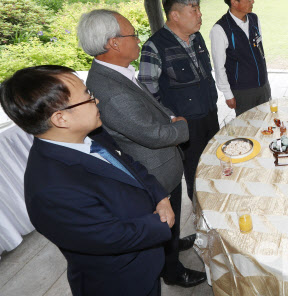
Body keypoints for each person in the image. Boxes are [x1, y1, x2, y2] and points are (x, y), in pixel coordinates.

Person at [0, 65, 173, 296]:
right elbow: (109, 237)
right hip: (122, 283)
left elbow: (130, 166)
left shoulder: (91, 134)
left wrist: (160, 196)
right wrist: (162, 223)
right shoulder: (51, 190)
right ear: (61, 118)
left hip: (146, 264)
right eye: (88, 96)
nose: (97, 101)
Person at [79, 10, 206, 288]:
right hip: (154, 171)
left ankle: (172, 243)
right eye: (132, 34)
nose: (138, 40)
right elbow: (154, 133)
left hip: (163, 164)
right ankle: (172, 271)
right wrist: (181, 125)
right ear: (113, 43)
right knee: (163, 219)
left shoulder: (117, 73)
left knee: (170, 219)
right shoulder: (111, 91)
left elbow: (152, 108)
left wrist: (170, 116)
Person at [139, 0, 219, 202]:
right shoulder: (154, 47)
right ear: (175, 15)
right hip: (185, 123)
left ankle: (218, 202)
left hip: (209, 113)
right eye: (194, 10)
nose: (200, 15)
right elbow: (148, 93)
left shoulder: (196, 37)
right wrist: (170, 119)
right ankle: (200, 214)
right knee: (195, 170)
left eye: (199, 9)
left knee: (215, 162)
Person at [210, 0, 271, 115]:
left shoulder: (254, 19)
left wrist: (266, 82)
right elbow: (219, 66)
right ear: (234, 2)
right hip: (242, 91)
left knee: (267, 125)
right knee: (248, 129)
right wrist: (227, 94)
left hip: (263, 85)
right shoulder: (220, 29)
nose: (252, 1)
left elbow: (259, 51)